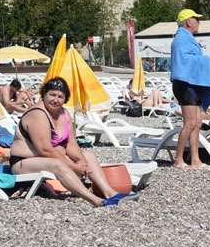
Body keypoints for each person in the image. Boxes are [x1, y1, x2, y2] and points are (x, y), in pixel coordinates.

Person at [10, 77, 138, 207]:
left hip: (48, 158)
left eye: (60, 96)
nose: (55, 100)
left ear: (65, 99)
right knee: (57, 164)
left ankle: (110, 192)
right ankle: (95, 200)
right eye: (52, 95)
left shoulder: (64, 113)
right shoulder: (38, 114)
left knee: (89, 155)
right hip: (23, 162)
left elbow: (70, 143)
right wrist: (74, 167)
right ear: (44, 94)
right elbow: (45, 149)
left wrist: (82, 162)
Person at [170, 8, 210, 170]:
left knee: (197, 122)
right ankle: (178, 159)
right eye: (197, 18)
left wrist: (201, 60)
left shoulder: (187, 38)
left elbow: (189, 60)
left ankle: (195, 160)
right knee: (189, 123)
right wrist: (205, 61)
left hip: (192, 83)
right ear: (189, 21)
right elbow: (184, 62)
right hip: (185, 84)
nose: (199, 22)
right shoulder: (181, 40)